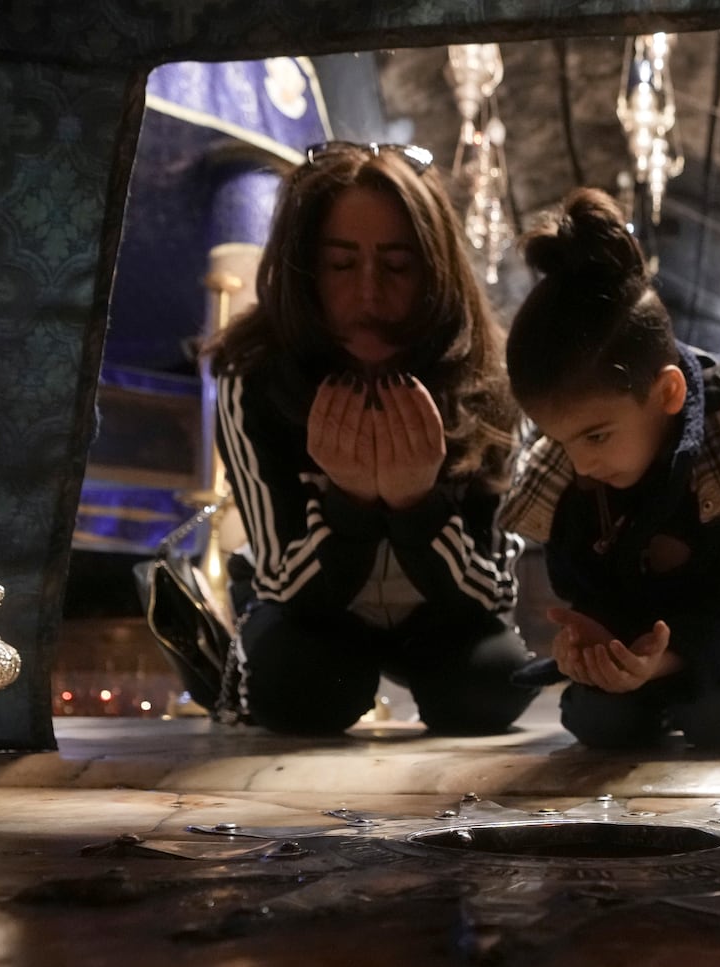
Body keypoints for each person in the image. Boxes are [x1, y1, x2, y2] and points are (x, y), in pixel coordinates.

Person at [209, 141, 537, 736]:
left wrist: (416, 504)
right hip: (315, 619)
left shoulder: (488, 382)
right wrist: (353, 502)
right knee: (299, 689)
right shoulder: (256, 379)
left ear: (435, 269)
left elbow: (491, 588)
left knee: (491, 687)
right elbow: (283, 579)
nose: (368, 294)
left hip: (441, 616)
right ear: (305, 267)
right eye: (340, 265)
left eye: (397, 265)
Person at [499, 188, 720, 749]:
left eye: (596, 436)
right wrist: (591, 643)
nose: (581, 464)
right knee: (598, 724)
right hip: (636, 644)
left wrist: (667, 660)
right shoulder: (568, 465)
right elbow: (582, 585)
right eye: (560, 440)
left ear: (668, 391)